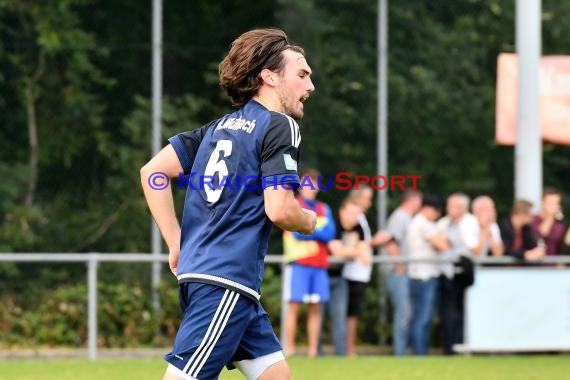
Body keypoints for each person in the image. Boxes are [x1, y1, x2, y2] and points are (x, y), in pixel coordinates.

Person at [140, 28, 316, 380]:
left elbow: (152, 172)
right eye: (302, 74)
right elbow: (279, 209)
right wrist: (308, 221)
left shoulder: (216, 129)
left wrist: (176, 242)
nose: (310, 86)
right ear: (269, 77)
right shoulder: (280, 126)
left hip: (218, 282)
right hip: (225, 281)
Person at [283, 168, 335, 358]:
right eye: (306, 183)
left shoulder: (325, 208)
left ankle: (313, 351)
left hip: (319, 265)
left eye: (313, 183)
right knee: (294, 307)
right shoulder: (294, 204)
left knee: (316, 308)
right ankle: (290, 348)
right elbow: (295, 231)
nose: (310, 187)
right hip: (299, 264)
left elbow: (330, 234)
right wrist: (315, 231)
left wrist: (309, 230)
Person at [340, 187, 391, 356]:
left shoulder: (361, 218)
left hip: (360, 273)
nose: (370, 202)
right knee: (350, 314)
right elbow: (352, 243)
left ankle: (349, 349)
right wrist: (374, 242)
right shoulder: (353, 217)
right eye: (367, 198)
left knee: (354, 313)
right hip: (352, 272)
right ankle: (349, 350)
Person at [327, 197, 374, 356]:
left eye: (358, 214)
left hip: (340, 277)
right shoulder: (333, 225)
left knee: (340, 316)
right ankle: (316, 352)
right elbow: (337, 251)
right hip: (322, 275)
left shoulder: (358, 227)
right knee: (318, 316)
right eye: (353, 213)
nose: (355, 217)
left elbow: (365, 251)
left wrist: (353, 251)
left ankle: (341, 354)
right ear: (342, 211)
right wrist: (356, 252)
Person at [406, 195, 450, 355]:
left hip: (418, 275)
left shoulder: (416, 222)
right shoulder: (424, 224)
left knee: (419, 318)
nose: (437, 215)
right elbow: (443, 245)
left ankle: (419, 351)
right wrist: (445, 239)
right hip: (425, 276)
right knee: (422, 319)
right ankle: (419, 353)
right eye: (436, 211)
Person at [436, 193, 479, 355]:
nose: (448, 209)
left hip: (463, 274)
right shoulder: (443, 223)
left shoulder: (470, 223)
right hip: (446, 273)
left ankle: (461, 345)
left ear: (462, 208)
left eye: (452, 206)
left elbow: (474, 248)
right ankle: (449, 349)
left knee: (461, 313)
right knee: (447, 314)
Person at [384, 189, 423, 356]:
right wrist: (399, 265)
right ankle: (399, 352)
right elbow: (392, 241)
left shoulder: (406, 217)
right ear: (413, 200)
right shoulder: (400, 216)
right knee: (403, 311)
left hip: (400, 271)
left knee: (405, 312)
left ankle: (402, 350)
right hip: (396, 271)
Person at [531, 188, 566, 256]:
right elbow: (542, 234)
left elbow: (559, 247)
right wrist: (550, 216)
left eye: (557, 203)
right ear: (542, 203)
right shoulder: (533, 220)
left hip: (553, 264)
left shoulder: (558, 223)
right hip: (536, 265)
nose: (555, 207)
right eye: (551, 203)